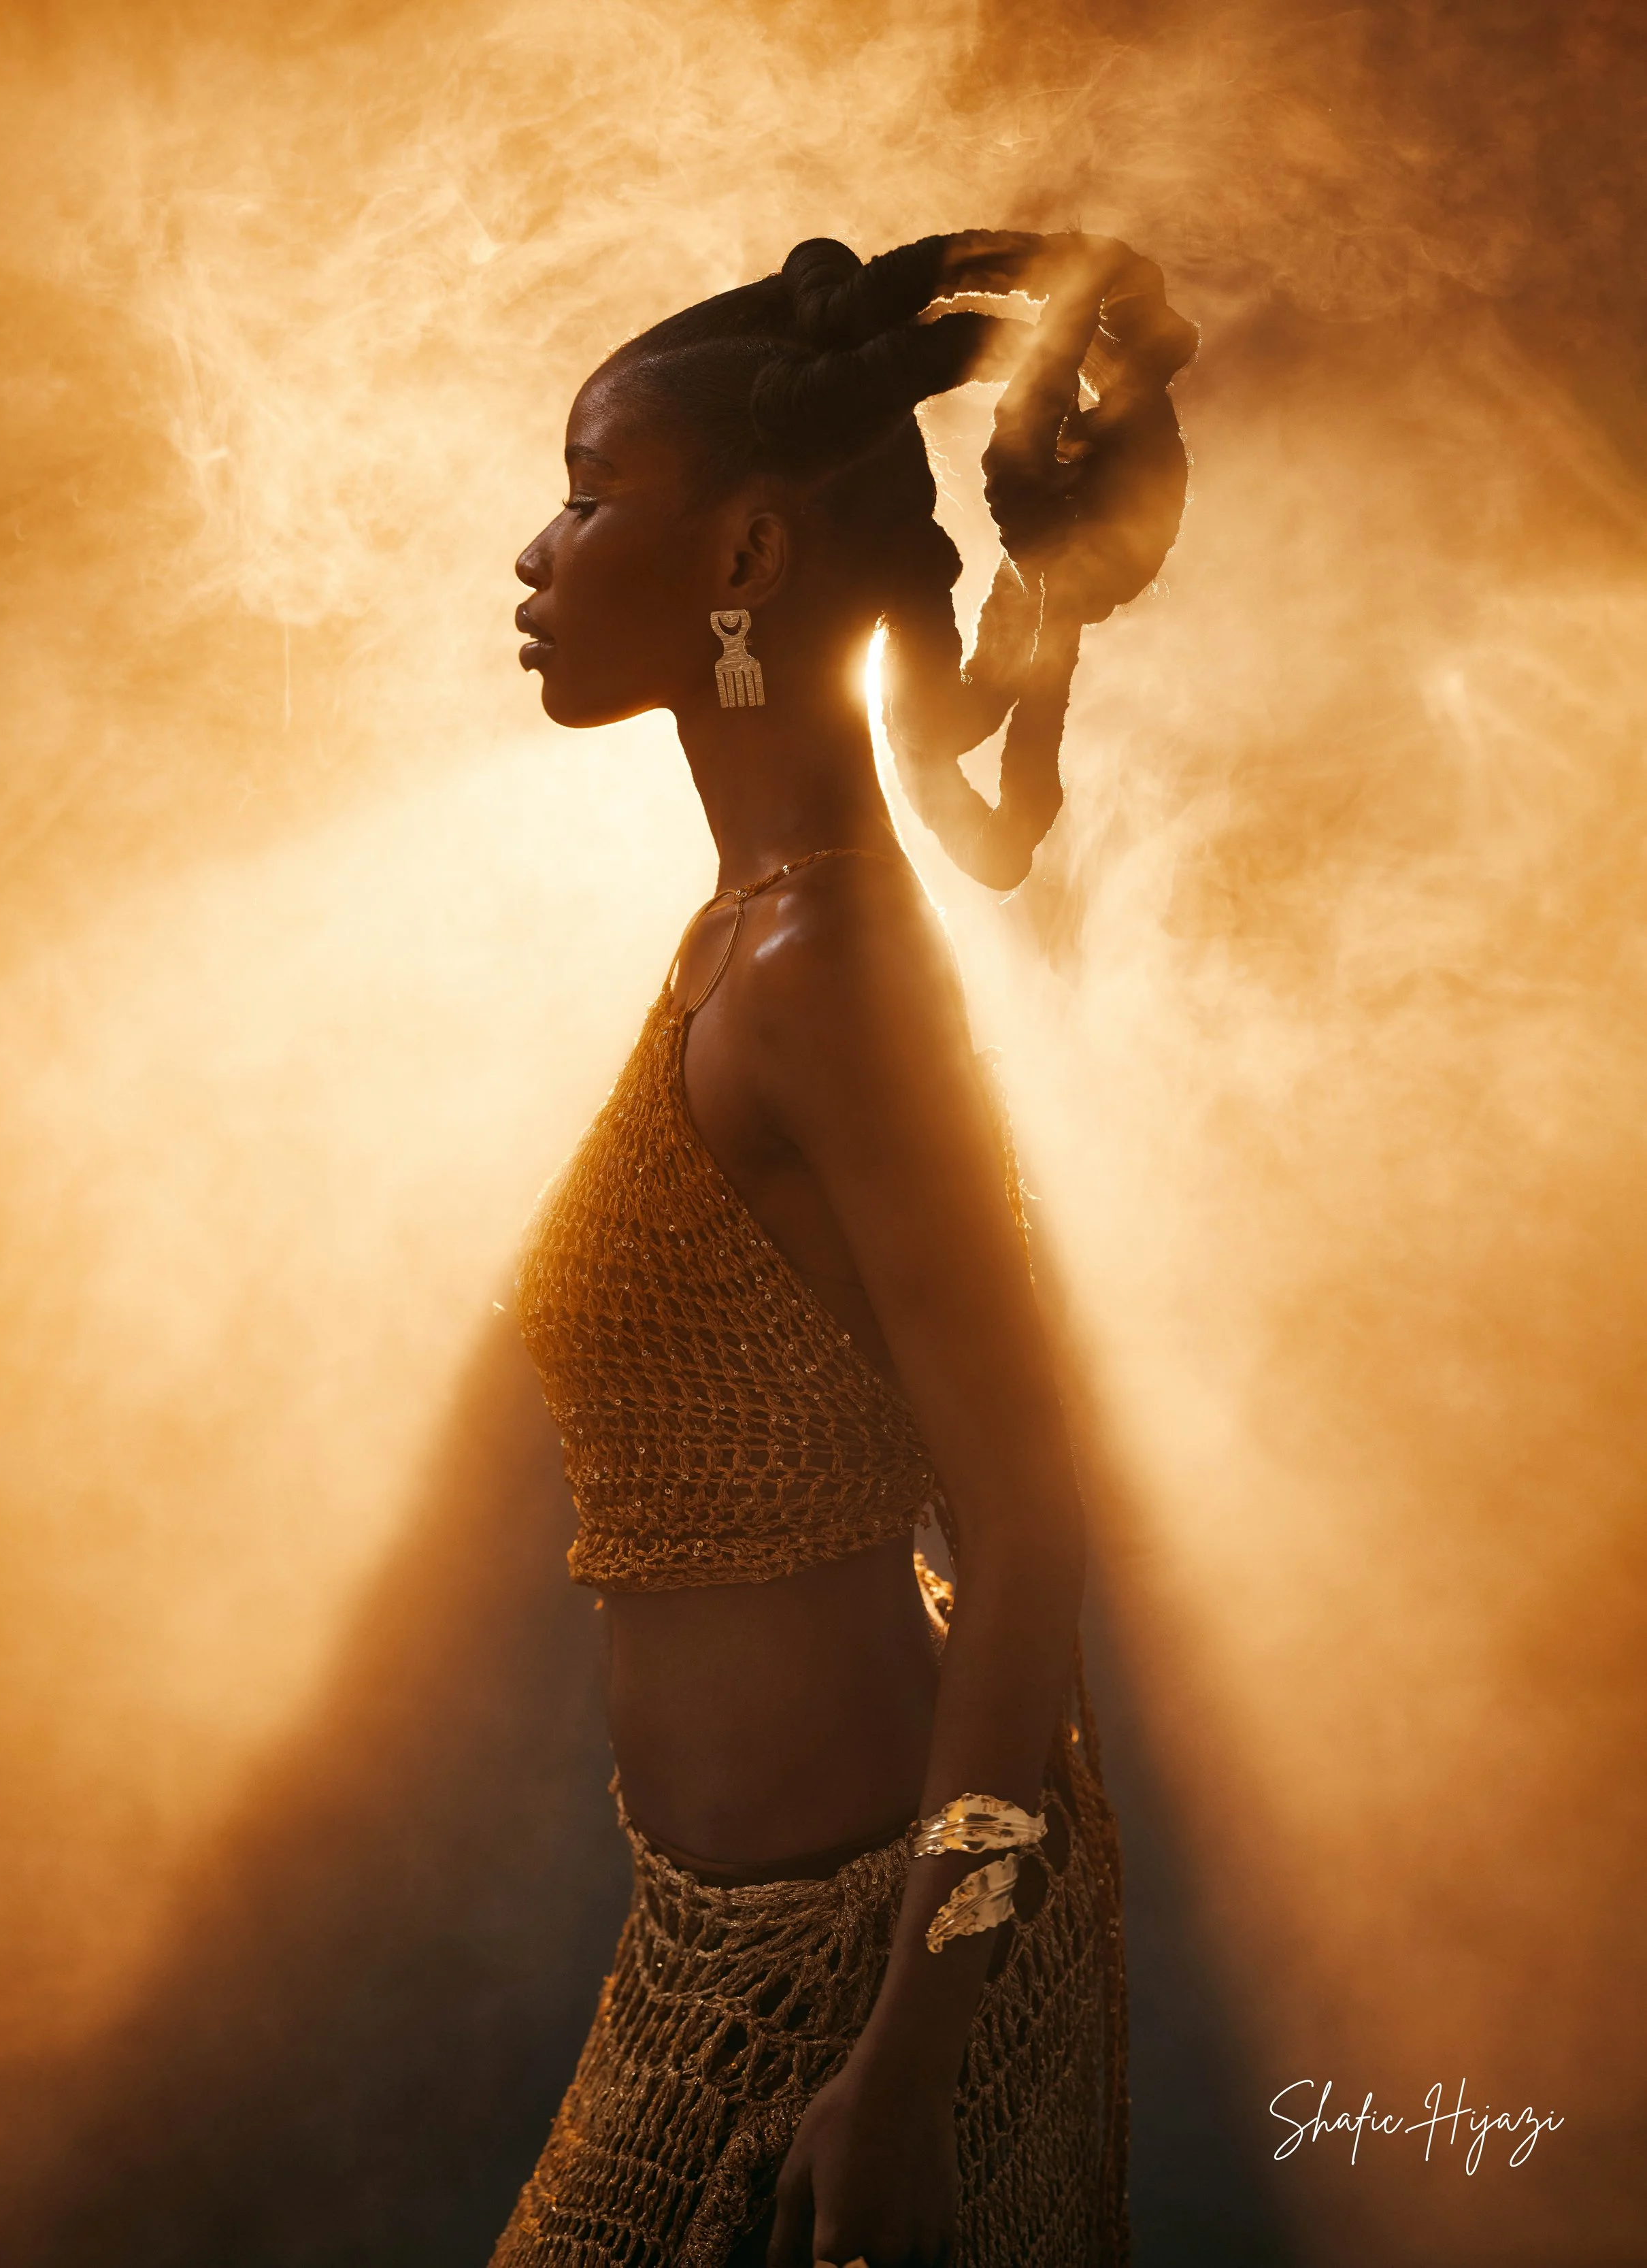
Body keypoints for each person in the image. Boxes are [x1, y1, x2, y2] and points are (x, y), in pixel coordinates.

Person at [495, 229, 1195, 2268]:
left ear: (749, 557)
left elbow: (1028, 1527)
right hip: (715, 1944)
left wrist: (907, 2052)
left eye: (587, 488)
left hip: (876, 1980)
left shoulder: (828, 971)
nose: (537, 552)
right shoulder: (744, 932)